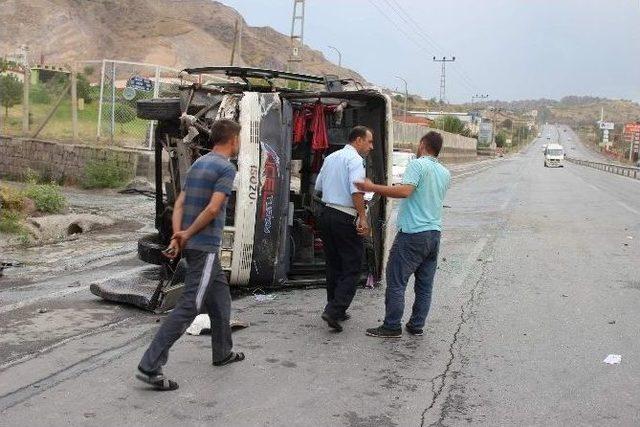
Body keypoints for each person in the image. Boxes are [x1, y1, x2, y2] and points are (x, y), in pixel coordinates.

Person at [136, 119, 245, 391]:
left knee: (220, 299)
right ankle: (150, 366)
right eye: (239, 140)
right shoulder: (226, 168)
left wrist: (178, 234)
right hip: (205, 245)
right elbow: (212, 210)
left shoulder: (199, 163)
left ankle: (223, 352)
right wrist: (186, 235)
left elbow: (180, 203)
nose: (239, 144)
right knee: (189, 305)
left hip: (192, 241)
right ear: (232, 140)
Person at [356, 131, 451, 338]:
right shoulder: (444, 172)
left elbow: (406, 192)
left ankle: (391, 326)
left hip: (413, 235)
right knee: (425, 286)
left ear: (422, 144)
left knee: (396, 280)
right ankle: (416, 325)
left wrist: (372, 187)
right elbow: (418, 193)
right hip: (433, 235)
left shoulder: (417, 165)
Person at [315, 126, 374, 332]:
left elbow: (319, 186)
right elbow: (356, 191)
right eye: (369, 142)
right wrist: (363, 217)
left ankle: (334, 307)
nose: (371, 146)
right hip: (344, 217)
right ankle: (335, 309)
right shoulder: (356, 160)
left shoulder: (331, 157)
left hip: (326, 213)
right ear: (358, 140)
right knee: (352, 266)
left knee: (333, 264)